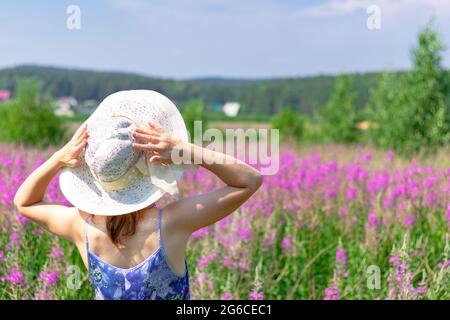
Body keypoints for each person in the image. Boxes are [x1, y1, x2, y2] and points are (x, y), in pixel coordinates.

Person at [13, 90, 263, 300]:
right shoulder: (172, 223)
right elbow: (249, 181)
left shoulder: (81, 228)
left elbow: (25, 202)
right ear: (150, 170)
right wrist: (182, 149)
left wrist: (58, 158)